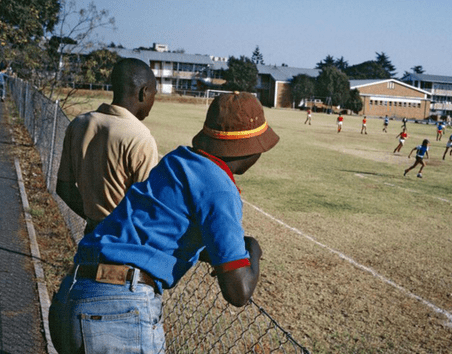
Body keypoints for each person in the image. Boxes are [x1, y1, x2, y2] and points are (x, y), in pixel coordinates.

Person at [48, 92, 280, 354]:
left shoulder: (177, 161)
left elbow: (163, 232)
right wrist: (254, 250)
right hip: (118, 311)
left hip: (73, 294)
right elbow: (239, 292)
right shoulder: (220, 188)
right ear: (252, 148)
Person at [56, 58, 159, 234]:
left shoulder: (79, 124)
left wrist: (94, 218)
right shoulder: (141, 138)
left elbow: (64, 187)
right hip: (122, 242)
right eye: (154, 95)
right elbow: (145, 209)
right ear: (144, 92)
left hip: (91, 234)